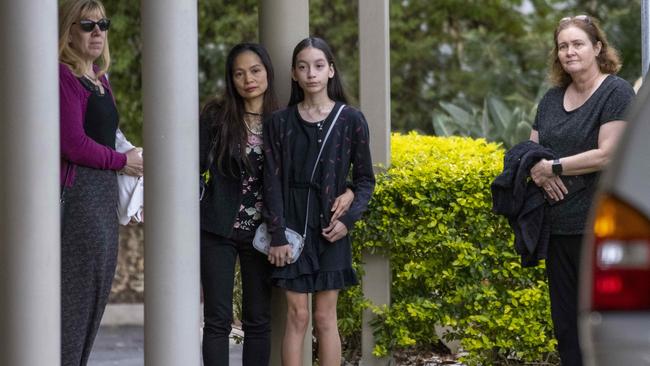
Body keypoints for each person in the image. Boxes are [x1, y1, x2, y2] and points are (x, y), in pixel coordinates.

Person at [199, 42, 356, 366]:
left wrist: (351, 191)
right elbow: (193, 167)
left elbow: (319, 168)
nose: (248, 79)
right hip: (218, 228)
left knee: (258, 321)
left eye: (255, 71)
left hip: (265, 234)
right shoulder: (217, 116)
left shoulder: (284, 119)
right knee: (217, 320)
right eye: (239, 73)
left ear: (268, 73)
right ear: (231, 79)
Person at [529, 15, 634, 366]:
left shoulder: (615, 92)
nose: (569, 52)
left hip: (600, 230)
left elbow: (608, 153)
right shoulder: (550, 99)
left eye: (577, 44)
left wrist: (553, 167)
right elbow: (531, 150)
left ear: (597, 48)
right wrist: (536, 170)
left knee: (603, 327)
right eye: (563, 46)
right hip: (558, 229)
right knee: (566, 329)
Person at [263, 36, 375, 366]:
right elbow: (270, 182)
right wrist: (278, 234)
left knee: (326, 319)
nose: (311, 73)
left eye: (318, 65)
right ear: (294, 75)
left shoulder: (352, 119)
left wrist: (347, 219)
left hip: (331, 228)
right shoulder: (279, 123)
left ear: (330, 71)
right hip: (292, 228)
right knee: (297, 317)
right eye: (303, 67)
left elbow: (366, 179)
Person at [58, 1, 144, 365]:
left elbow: (106, 135)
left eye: (102, 25)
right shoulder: (63, 76)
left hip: (102, 198)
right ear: (69, 30)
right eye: (87, 25)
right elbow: (72, 144)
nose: (97, 32)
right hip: (79, 198)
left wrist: (128, 155)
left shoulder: (99, 79)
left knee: (94, 295)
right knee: (74, 301)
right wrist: (122, 162)